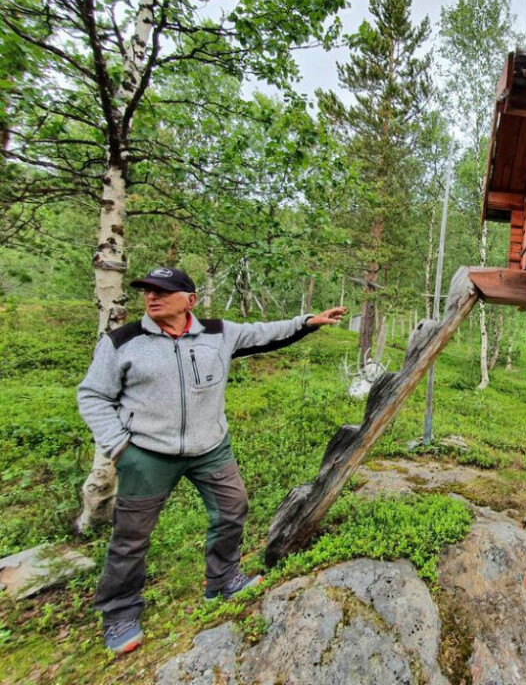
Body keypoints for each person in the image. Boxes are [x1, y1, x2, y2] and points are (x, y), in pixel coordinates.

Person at [77, 266, 345, 655]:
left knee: (233, 508)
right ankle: (119, 612)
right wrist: (119, 447)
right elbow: (93, 395)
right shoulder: (123, 341)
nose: (151, 297)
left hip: (210, 448)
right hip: (147, 454)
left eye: (162, 291)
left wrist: (307, 322)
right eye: (147, 291)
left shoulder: (218, 333)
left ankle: (222, 580)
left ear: (190, 300)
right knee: (131, 537)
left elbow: (264, 332)